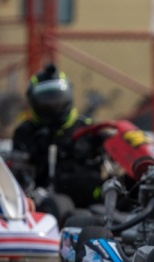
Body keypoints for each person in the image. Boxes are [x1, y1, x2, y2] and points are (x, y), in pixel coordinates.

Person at [10, 63, 104, 208]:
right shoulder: (25, 132)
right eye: (46, 101)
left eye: (57, 99)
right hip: (40, 208)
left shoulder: (88, 129)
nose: (53, 105)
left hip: (91, 207)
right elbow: (18, 177)